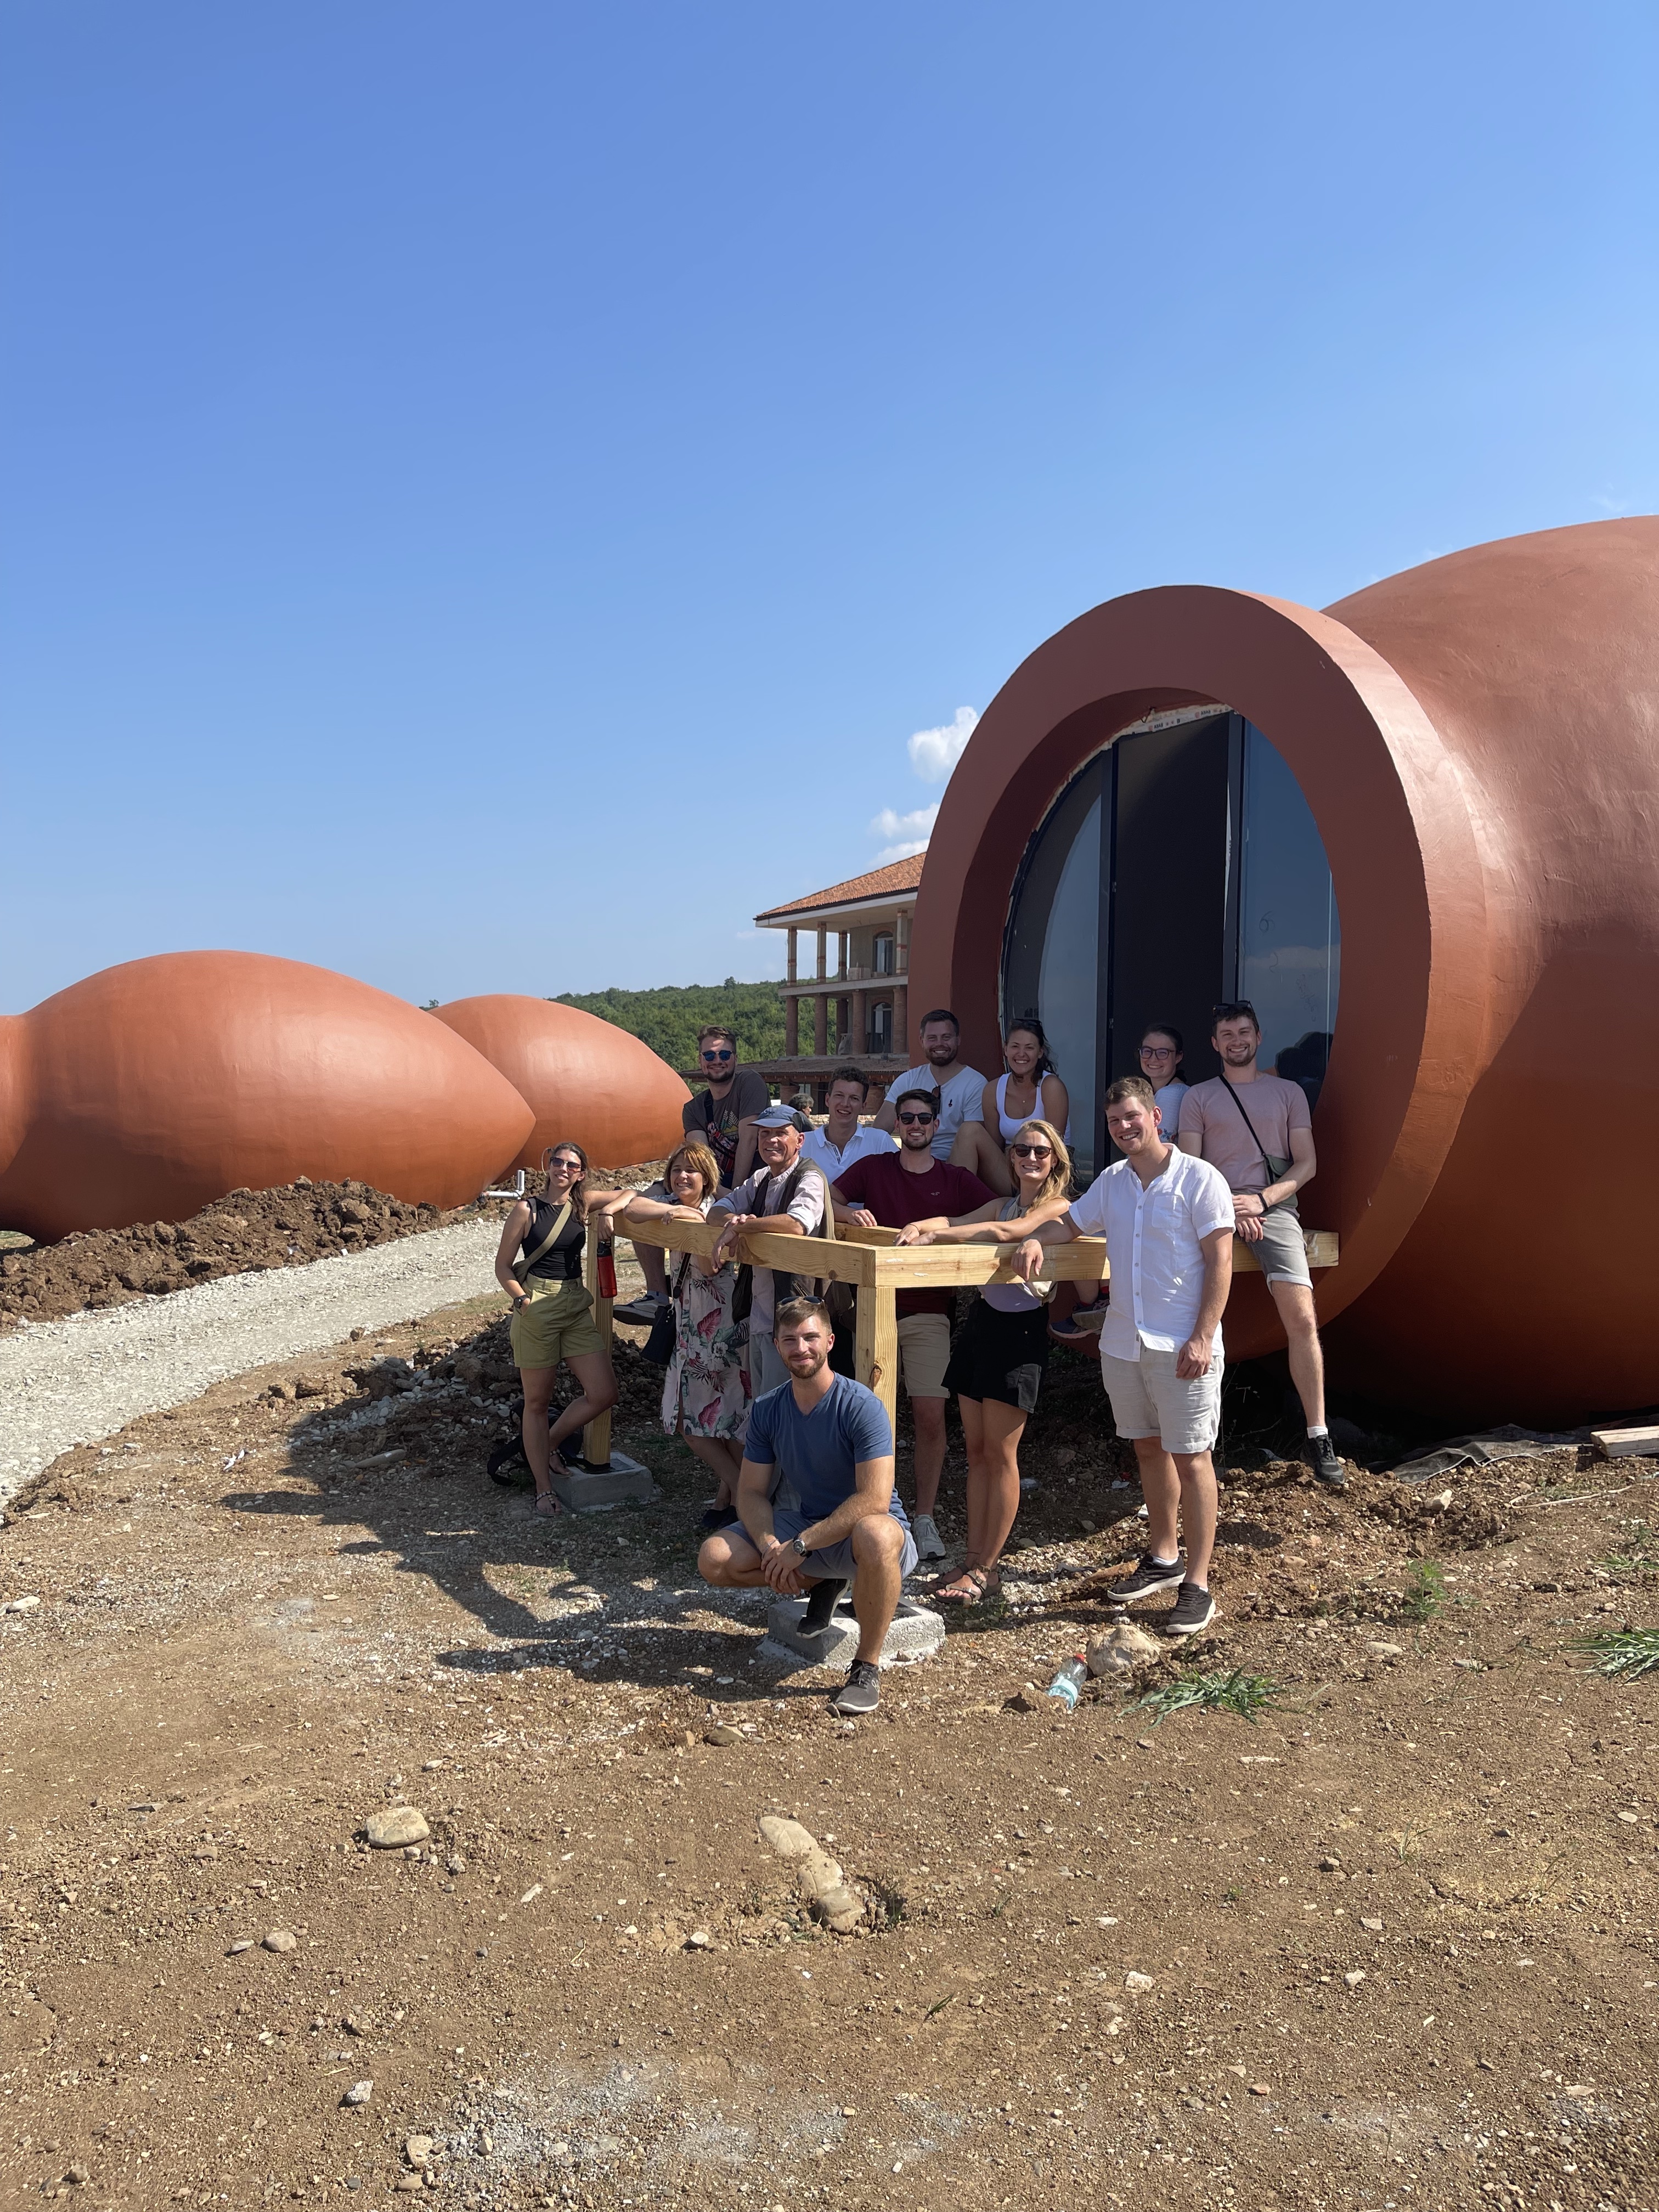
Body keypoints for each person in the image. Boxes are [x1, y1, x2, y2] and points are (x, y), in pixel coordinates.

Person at [1014, 1077, 1234, 1635]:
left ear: (1155, 1117)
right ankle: (1164, 1557)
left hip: (1183, 1344)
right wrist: (1039, 1238)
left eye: (1132, 1117)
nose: (1124, 1128)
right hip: (1124, 1342)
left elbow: (1221, 1262)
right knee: (1148, 1450)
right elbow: (1072, 1222)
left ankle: (1198, 1585)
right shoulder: (1113, 1181)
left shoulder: (1200, 1178)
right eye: (1115, 1122)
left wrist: (1204, 1336)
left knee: (1194, 1459)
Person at [697, 1296, 917, 1717]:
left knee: (874, 1533)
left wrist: (799, 1547)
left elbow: (874, 1500)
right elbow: (750, 1492)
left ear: (830, 1341)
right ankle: (820, 1582)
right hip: (809, 1528)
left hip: (869, 1535)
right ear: (777, 1346)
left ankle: (866, 1667)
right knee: (715, 1559)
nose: (801, 1348)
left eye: (811, 1337)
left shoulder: (862, 1406)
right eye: (791, 1340)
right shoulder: (768, 1408)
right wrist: (770, 1548)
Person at [893, 1118, 1074, 1602]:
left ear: (1055, 1160)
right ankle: (972, 1561)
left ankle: (989, 1568)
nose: (1030, 1158)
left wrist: (937, 1237)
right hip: (982, 1325)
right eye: (1022, 1150)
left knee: (1001, 1454)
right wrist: (921, 1226)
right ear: (1011, 1156)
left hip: (1020, 1333)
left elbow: (1005, 1231)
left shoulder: (1057, 1207)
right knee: (976, 1453)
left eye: (1040, 1151)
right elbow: (957, 1220)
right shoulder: (1002, 1200)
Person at [1177, 1000, 1343, 1488]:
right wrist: (1230, 1208)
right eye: (1227, 1035)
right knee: (1193, 1317)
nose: (1237, 1041)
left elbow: (1307, 1163)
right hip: (1214, 1211)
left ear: (1259, 1037)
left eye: (1244, 1032)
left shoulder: (1288, 1092)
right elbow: (1191, 1168)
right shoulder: (1199, 1097)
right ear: (1215, 1044)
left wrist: (1262, 1201)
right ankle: (1191, 1438)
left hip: (1276, 1212)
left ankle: (1318, 1435)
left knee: (1303, 1318)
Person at [830, 1091, 993, 1563]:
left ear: (936, 1124)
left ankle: (923, 1516)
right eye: (908, 1118)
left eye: (924, 1118)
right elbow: (826, 1197)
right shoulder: (874, 1168)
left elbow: (999, 1206)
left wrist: (946, 1227)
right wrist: (848, 1213)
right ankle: (868, 1510)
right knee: (866, 1417)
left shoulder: (954, 1178)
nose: (916, 1125)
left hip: (929, 1313)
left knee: (929, 1416)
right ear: (897, 1124)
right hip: (871, 1308)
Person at [589, 1142, 749, 1526]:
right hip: (689, 1326)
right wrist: (672, 1211)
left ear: (707, 1177)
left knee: (714, 1422)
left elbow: (709, 1268)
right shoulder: (675, 1205)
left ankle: (739, 1498)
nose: (682, 1176)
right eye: (676, 1169)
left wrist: (693, 1223)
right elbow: (632, 1206)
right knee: (706, 1419)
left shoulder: (717, 1211)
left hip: (720, 1329)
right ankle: (738, 1497)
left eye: (691, 1170)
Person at [492, 1142, 619, 1517]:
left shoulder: (583, 1204)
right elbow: (503, 1266)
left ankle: (546, 1445)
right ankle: (542, 1488)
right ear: (548, 1166)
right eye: (558, 1162)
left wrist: (609, 1210)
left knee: (604, 1392)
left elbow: (630, 1193)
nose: (563, 1168)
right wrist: (521, 1300)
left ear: (581, 1174)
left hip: (575, 1304)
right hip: (537, 1304)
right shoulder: (527, 1209)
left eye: (572, 1165)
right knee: (537, 1402)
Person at [613, 1024, 769, 1325]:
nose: (717, 1060)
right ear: (701, 1061)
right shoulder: (695, 1108)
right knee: (648, 1200)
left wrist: (734, 1196)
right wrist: (708, 1192)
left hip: (749, 1185)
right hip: (713, 1184)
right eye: (709, 1055)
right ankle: (657, 1295)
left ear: (735, 1058)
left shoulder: (749, 1083)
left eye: (724, 1054)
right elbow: (700, 1159)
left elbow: (749, 1139)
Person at [708, 1105, 832, 1396]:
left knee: (788, 1400)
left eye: (780, 1133)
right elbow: (717, 1211)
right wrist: (735, 1222)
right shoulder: (761, 1177)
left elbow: (797, 1224)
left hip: (797, 1317)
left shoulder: (810, 1177)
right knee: (764, 1401)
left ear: (800, 1140)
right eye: (765, 1134)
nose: (771, 1140)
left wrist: (743, 1227)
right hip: (762, 1313)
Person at [950, 1018, 1071, 1195]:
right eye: (1015, 1047)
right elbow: (995, 1148)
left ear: (1040, 1053)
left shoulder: (1051, 1086)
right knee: (969, 1130)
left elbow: (1054, 1148)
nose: (1021, 1054)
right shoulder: (993, 1090)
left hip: (1045, 1173)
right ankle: (954, 1201)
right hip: (1012, 1172)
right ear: (1006, 1050)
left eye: (1029, 1048)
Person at [872, 1008, 986, 1162]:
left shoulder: (975, 1083)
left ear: (958, 1039)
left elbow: (973, 1140)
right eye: (932, 1038)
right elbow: (878, 1132)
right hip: (910, 1164)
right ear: (922, 1041)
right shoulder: (907, 1081)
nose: (939, 1044)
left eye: (946, 1037)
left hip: (954, 1167)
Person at [799, 1065, 898, 1181]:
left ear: (863, 1106)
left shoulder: (880, 1142)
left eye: (854, 1098)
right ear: (828, 1100)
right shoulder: (803, 1144)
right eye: (839, 1095)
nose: (845, 1104)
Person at [1139, 1023, 1189, 1137]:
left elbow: (1158, 1143)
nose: (1153, 1059)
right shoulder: (1157, 1092)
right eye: (1147, 1051)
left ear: (1178, 1057)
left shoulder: (1171, 1095)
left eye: (1163, 1053)